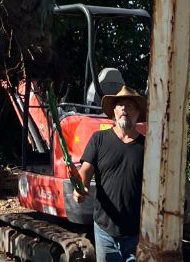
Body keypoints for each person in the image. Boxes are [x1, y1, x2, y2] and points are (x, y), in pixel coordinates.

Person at [74, 83, 146, 262]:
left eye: (129, 105)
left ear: (138, 113)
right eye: (120, 105)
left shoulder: (147, 146)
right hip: (105, 230)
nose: (124, 108)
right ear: (113, 111)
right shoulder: (99, 139)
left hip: (136, 234)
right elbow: (85, 170)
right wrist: (80, 187)